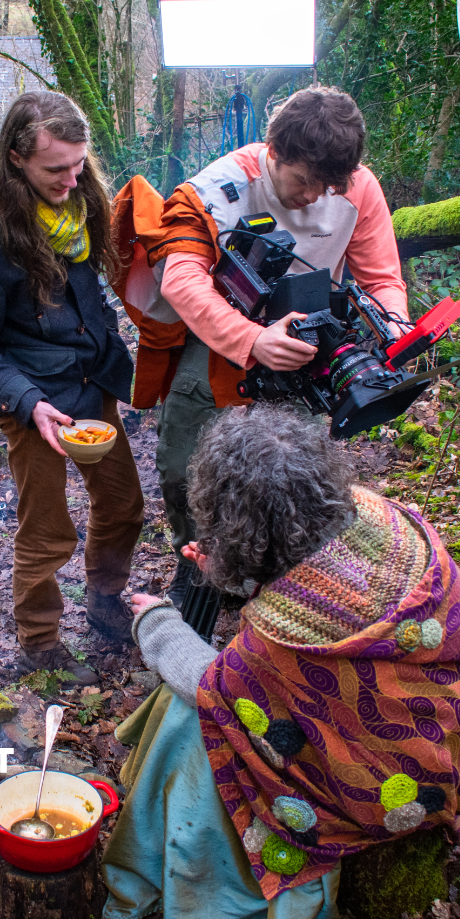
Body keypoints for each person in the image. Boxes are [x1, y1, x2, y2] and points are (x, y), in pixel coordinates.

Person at [100, 404, 460, 919]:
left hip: (390, 779)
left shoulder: (283, 639)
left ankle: (194, 869)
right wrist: (233, 569)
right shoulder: (388, 519)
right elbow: (309, 582)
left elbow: (214, 684)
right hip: (456, 725)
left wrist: (156, 621)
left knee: (189, 717)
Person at [130, 87, 410, 604]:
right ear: (274, 151)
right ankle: (203, 571)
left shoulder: (358, 190)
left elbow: (382, 276)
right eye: (304, 181)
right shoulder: (215, 190)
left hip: (306, 343)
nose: (313, 196)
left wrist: (394, 331)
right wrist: (253, 340)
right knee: (184, 464)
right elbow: (182, 281)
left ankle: (288, 587)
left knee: (294, 475)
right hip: (222, 339)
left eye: (329, 186)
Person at [0, 92, 144, 686]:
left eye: (79, 166)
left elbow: (96, 290)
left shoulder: (81, 202)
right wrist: (28, 403)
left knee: (124, 505)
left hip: (92, 379)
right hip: (32, 399)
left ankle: (105, 598)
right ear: (16, 159)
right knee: (48, 527)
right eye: (56, 169)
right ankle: (41, 639)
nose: (72, 179)